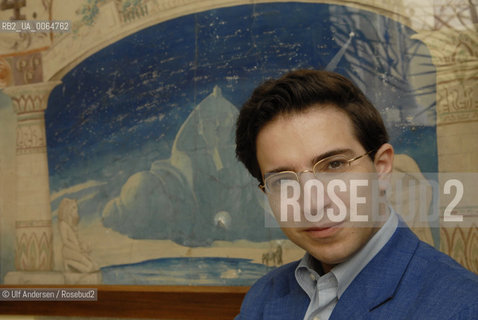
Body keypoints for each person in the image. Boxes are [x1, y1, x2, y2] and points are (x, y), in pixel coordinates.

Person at [234, 69, 478, 319]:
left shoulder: (463, 307)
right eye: (283, 180)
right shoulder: (262, 298)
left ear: (382, 167)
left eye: (335, 165)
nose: (314, 203)